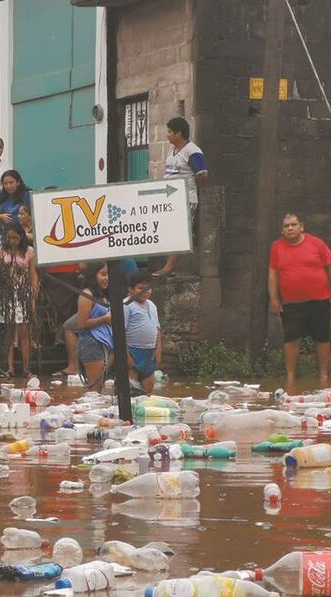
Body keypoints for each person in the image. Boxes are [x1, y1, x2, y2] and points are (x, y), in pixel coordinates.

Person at [268, 213, 331, 388]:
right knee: (291, 339)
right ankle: (291, 378)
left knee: (322, 338)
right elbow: (273, 273)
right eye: (286, 226)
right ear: (282, 230)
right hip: (292, 303)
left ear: (302, 226)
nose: (290, 228)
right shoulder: (276, 247)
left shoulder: (317, 243)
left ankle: (324, 375)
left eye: (293, 224)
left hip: (319, 299)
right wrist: (274, 298)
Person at [156, 116, 208, 277]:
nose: (167, 135)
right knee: (170, 231)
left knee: (180, 232)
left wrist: (191, 189)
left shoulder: (192, 151)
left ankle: (169, 267)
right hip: (170, 198)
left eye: (170, 132)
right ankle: (167, 266)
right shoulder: (172, 152)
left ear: (179, 133)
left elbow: (202, 173)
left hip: (185, 199)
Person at [0, 223, 39, 377]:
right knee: (8, 332)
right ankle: (9, 368)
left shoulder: (29, 251)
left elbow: (33, 274)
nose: (12, 240)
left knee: (24, 332)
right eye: (9, 237)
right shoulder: (2, 251)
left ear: (21, 237)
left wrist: (33, 294)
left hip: (23, 293)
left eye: (15, 237)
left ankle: (27, 368)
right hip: (7, 294)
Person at [124, 270, 163, 394]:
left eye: (148, 288)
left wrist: (158, 349)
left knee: (148, 393)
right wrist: (126, 355)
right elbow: (121, 332)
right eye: (140, 288)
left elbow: (157, 329)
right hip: (133, 351)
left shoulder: (152, 305)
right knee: (132, 391)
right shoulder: (126, 305)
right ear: (131, 289)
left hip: (150, 352)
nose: (145, 292)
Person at [76, 263, 113, 387]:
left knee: (100, 386)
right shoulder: (87, 294)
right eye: (103, 274)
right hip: (91, 343)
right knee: (95, 388)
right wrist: (104, 319)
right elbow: (81, 323)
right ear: (93, 275)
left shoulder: (104, 295)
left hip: (104, 343)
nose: (107, 278)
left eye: (108, 275)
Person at [0, 170, 30, 245]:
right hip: (4, 237)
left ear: (18, 182)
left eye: (11, 182)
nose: (8, 186)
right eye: (5, 184)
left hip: (23, 237)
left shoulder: (27, 195)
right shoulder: (0, 197)